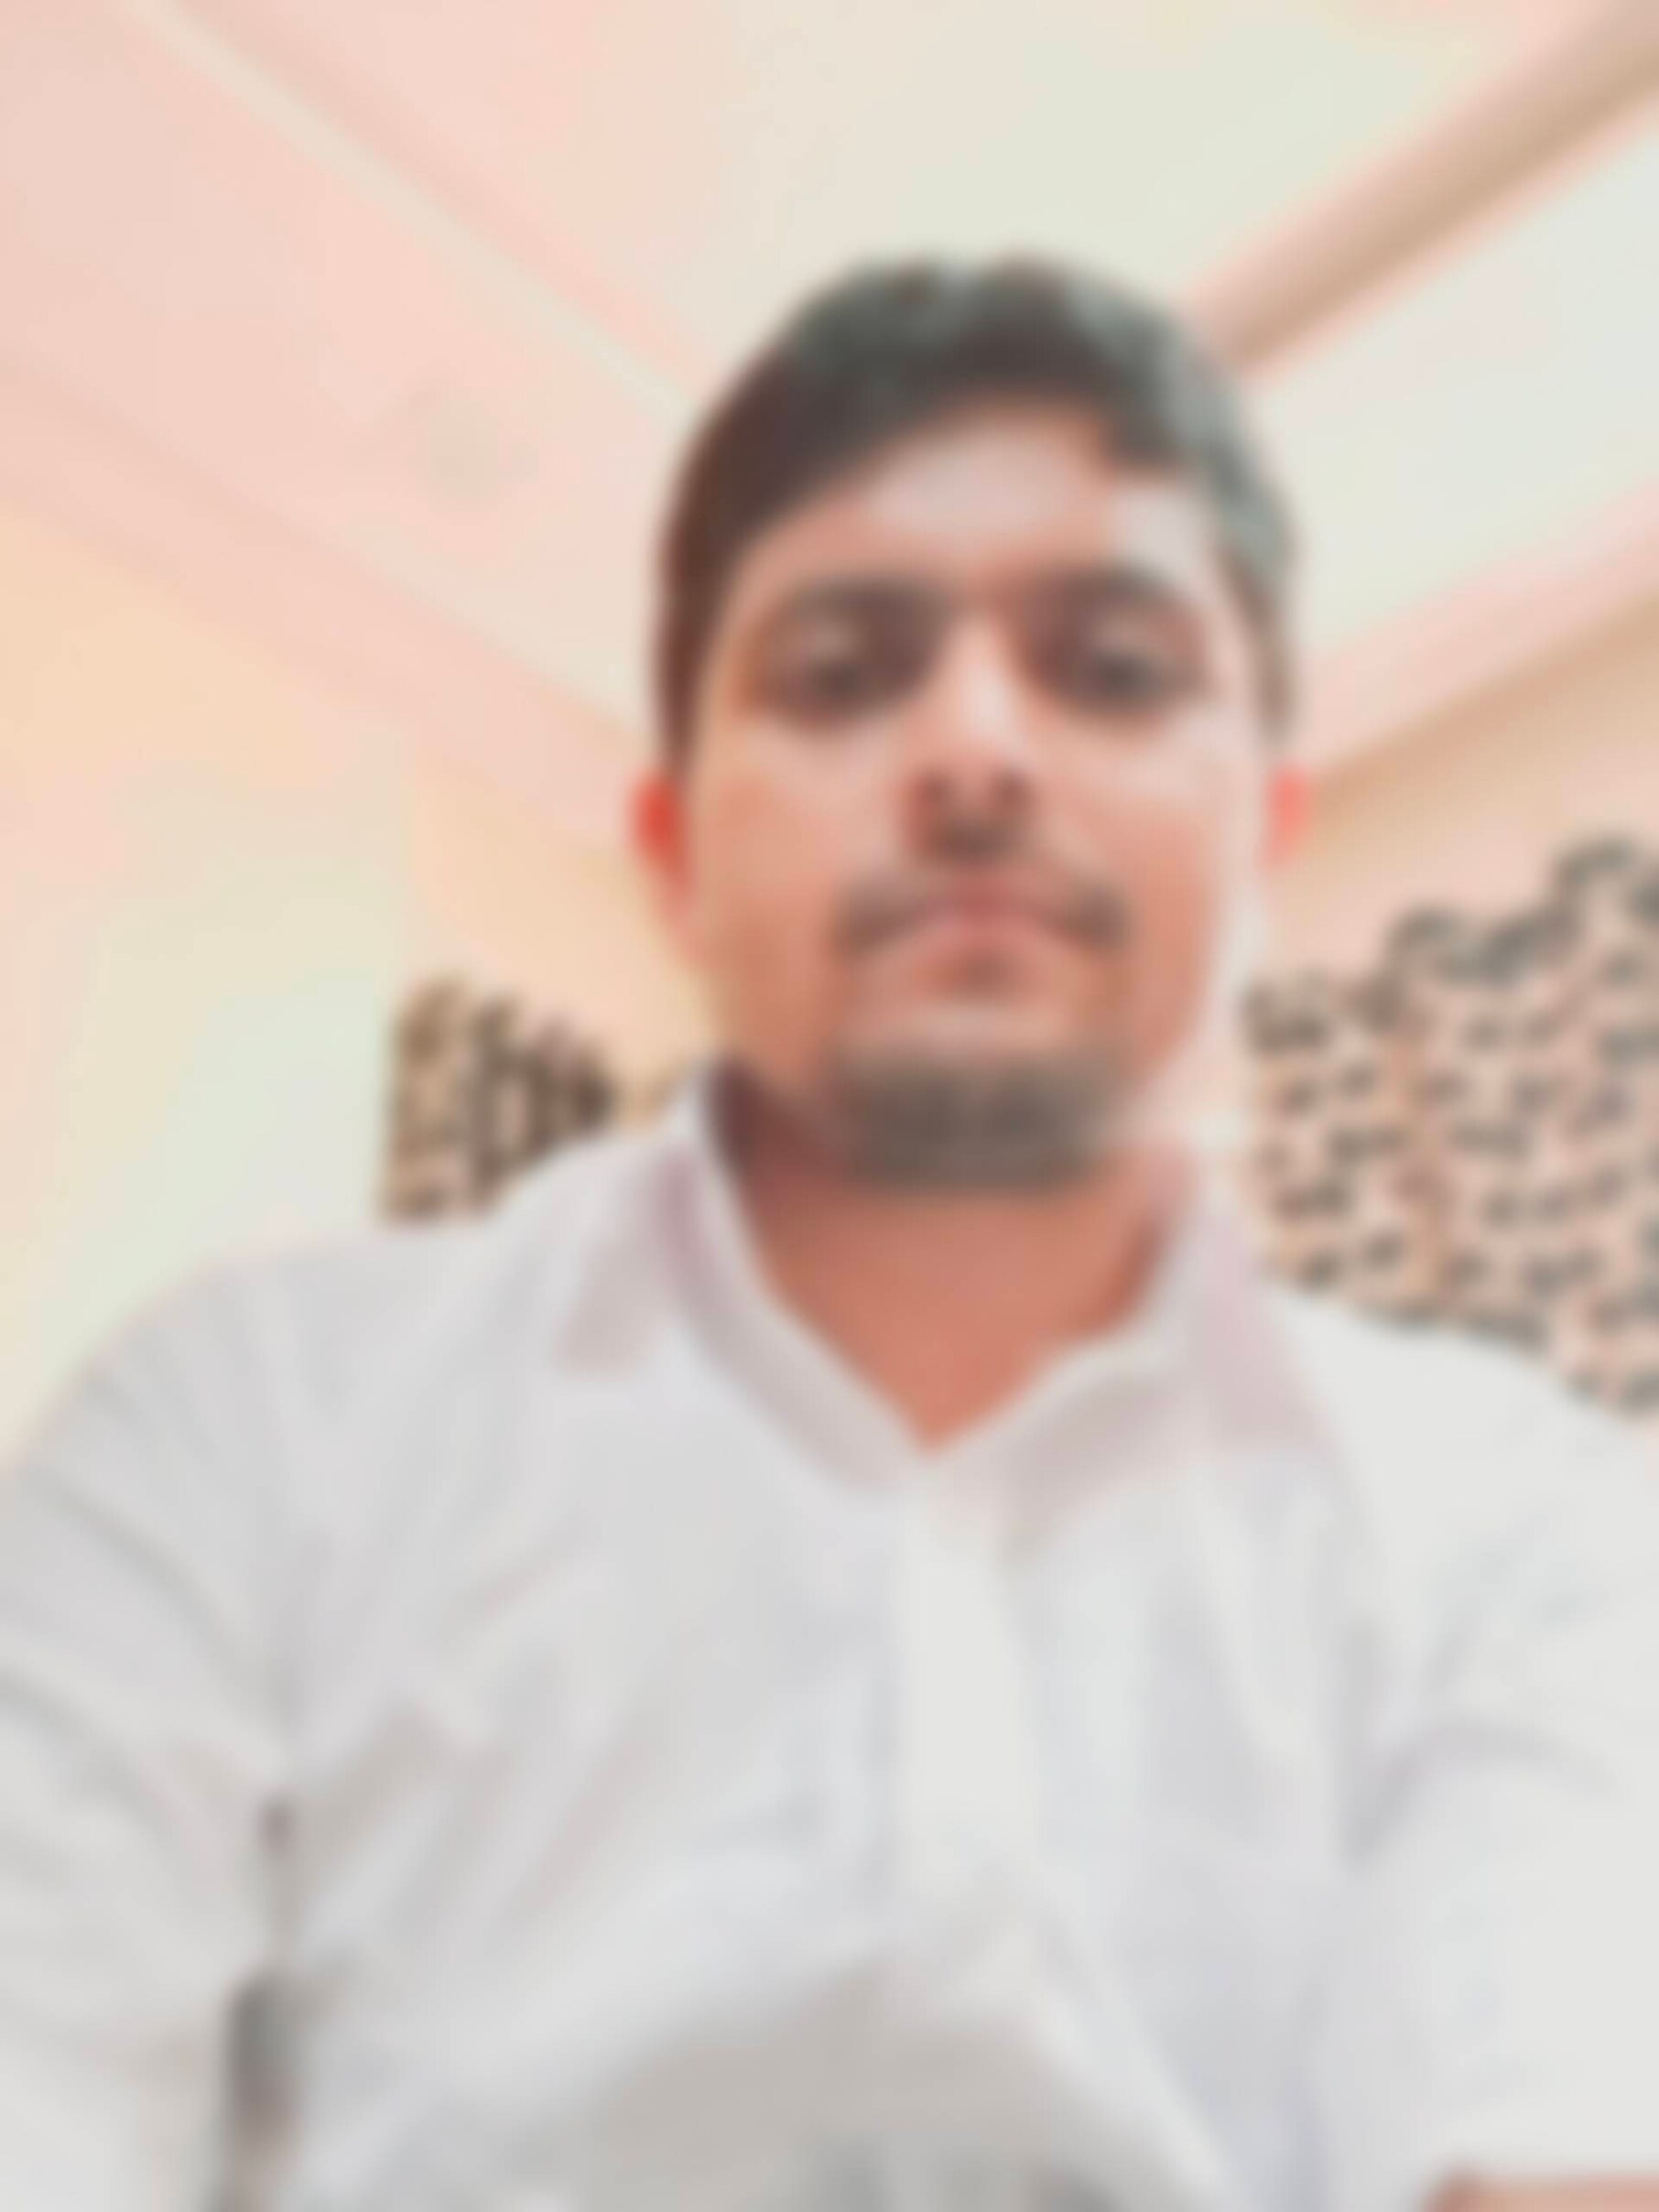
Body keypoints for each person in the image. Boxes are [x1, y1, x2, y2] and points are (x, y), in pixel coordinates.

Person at [3, 260, 1658, 2212]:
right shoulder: (243, 1429)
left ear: (1269, 840)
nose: (978, 750)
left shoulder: (1536, 1526)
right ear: (673, 851)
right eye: (843, 672)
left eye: (1115, 669)